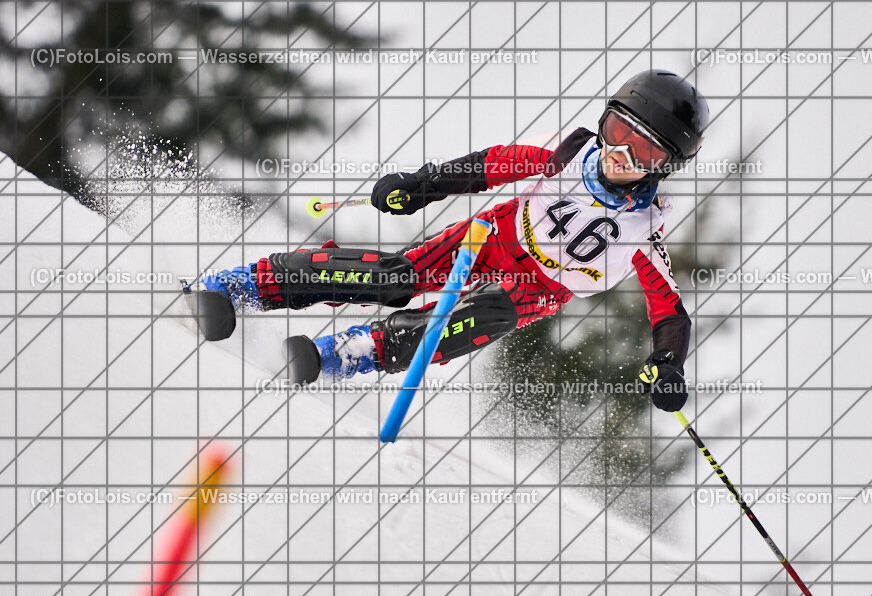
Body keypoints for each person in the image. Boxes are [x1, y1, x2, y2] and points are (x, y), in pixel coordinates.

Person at [192, 70, 708, 413]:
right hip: (491, 238)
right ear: (604, 121)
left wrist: (666, 364)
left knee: (464, 322)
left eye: (643, 152)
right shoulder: (563, 162)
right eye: (618, 131)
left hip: (533, 290)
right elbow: (488, 165)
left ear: (664, 168)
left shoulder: (643, 233)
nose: (620, 155)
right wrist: (418, 187)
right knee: (393, 279)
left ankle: (338, 355)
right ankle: (240, 286)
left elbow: (669, 312)